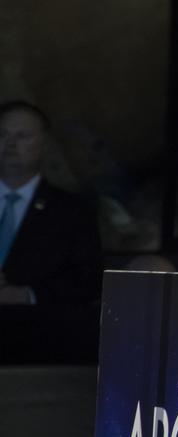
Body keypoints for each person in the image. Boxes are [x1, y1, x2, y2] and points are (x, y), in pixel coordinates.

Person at [0, 100, 101, 307]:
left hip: (37, 330)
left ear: (44, 144)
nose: (10, 144)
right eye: (3, 134)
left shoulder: (72, 211)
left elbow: (88, 280)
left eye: (22, 136)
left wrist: (27, 295)